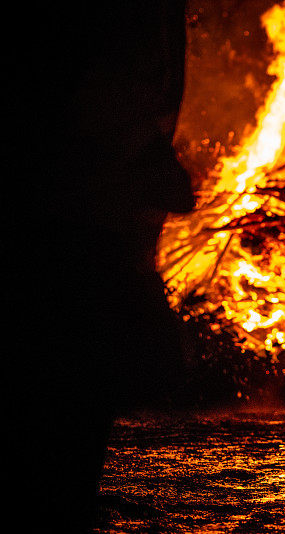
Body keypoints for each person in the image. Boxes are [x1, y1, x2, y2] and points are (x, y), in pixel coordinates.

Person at [10, 3, 194, 530]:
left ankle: (69, 493)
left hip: (105, 206)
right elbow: (98, 104)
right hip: (84, 211)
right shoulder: (104, 40)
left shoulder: (148, 26)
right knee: (77, 357)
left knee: (89, 368)